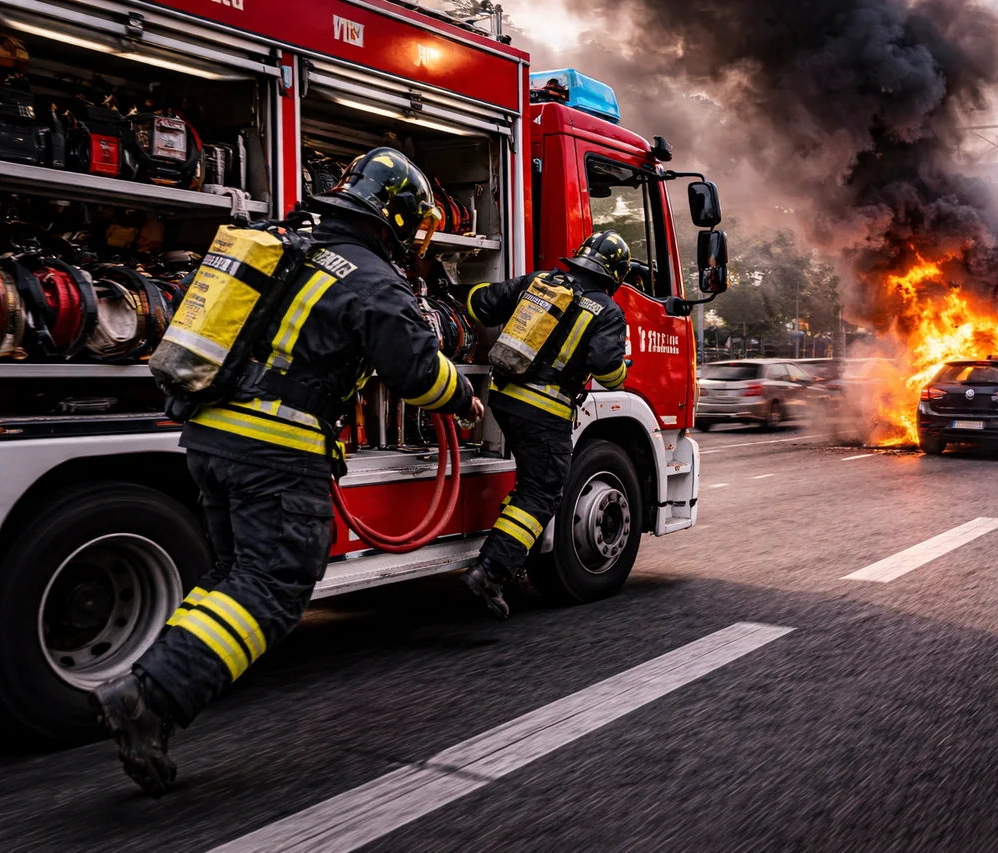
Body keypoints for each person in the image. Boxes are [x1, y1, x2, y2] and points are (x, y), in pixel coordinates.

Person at [89, 147, 483, 796]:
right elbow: (414, 369)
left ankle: (152, 690)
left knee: (232, 575)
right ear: (394, 218)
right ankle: (150, 696)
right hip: (273, 447)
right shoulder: (371, 276)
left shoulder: (286, 244)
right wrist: (460, 396)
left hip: (211, 434)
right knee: (274, 583)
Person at [459, 230, 631, 620]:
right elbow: (607, 369)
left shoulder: (539, 281)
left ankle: (508, 552)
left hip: (502, 399)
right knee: (542, 492)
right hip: (545, 410)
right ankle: (491, 572)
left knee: (530, 487)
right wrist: (623, 368)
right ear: (615, 275)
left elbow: (480, 304)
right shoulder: (606, 310)